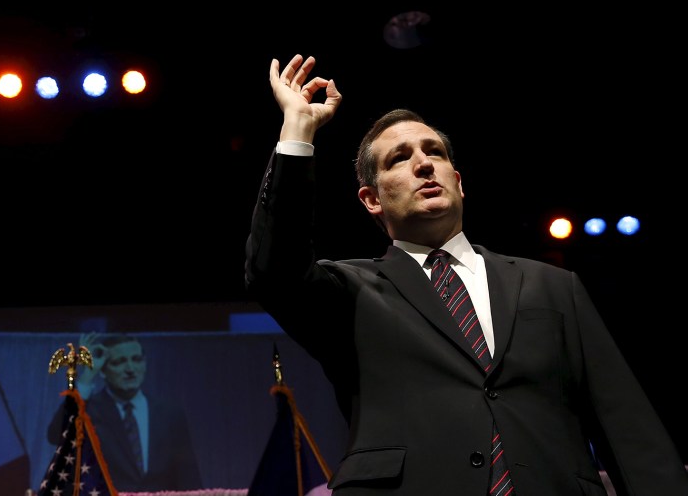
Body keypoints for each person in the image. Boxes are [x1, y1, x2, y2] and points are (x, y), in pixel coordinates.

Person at [243, 53, 688, 495]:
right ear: (371, 199)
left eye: (433, 152)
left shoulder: (553, 286)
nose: (423, 164)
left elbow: (630, 431)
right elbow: (273, 270)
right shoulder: (349, 292)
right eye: (399, 158)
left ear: (458, 180)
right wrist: (297, 129)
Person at [46, 332, 203, 492]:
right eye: (119, 362)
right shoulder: (89, 411)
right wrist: (87, 378)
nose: (130, 369)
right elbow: (56, 435)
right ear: (102, 370)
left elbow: (188, 475)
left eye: (136, 359)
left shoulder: (170, 414)